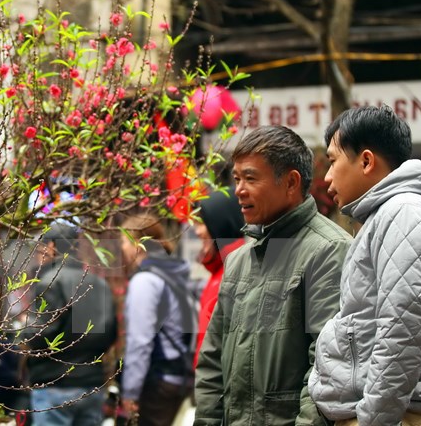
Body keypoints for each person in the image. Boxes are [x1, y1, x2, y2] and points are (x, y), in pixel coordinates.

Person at [308, 105, 421, 425]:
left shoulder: (405, 213)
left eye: (333, 160)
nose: (327, 177)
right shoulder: (389, 214)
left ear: (366, 161)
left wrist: (372, 420)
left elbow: (404, 330)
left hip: (393, 417)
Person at [194, 125, 352, 425]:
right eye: (236, 178)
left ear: (291, 182)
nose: (238, 190)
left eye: (251, 178)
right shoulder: (240, 258)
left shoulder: (329, 251)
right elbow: (212, 362)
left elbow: (326, 365)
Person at [23, 221, 118, 426]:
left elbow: (40, 334)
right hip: (91, 384)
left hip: (55, 385)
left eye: (41, 248)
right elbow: (111, 333)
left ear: (52, 247)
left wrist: (24, 328)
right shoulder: (98, 283)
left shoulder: (50, 281)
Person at [119, 213, 195, 426]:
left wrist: (130, 392)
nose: (122, 249)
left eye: (124, 242)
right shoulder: (174, 272)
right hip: (180, 376)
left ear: (138, 244)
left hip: (159, 383)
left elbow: (140, 341)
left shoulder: (145, 280)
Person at [193, 190, 245, 368]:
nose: (197, 232)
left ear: (220, 224)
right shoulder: (219, 272)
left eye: (201, 223)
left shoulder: (233, 275)